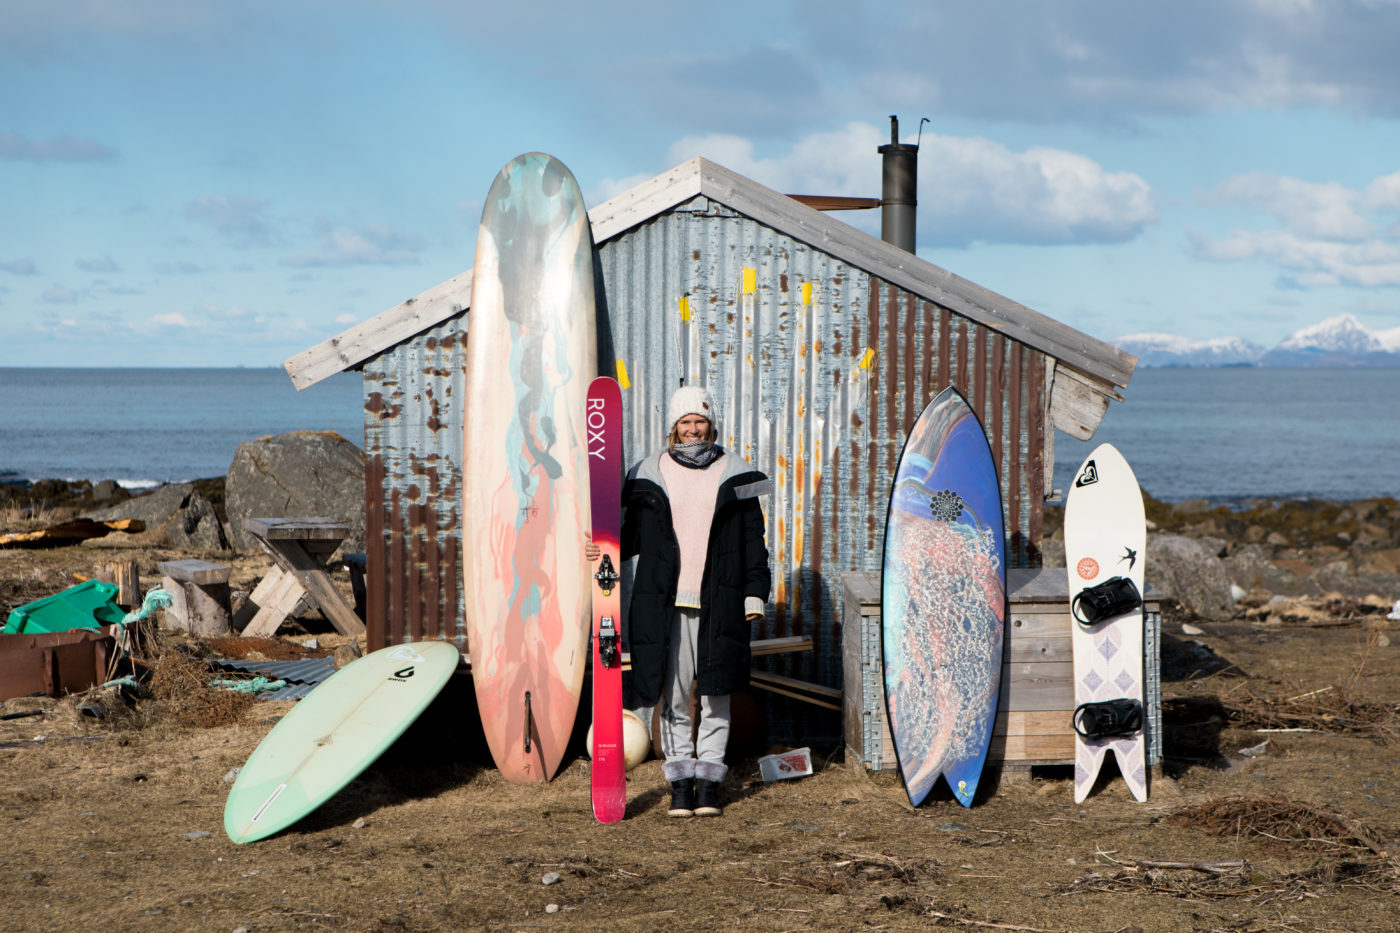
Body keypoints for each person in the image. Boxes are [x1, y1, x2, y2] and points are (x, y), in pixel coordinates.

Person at [587, 385, 771, 817]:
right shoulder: (648, 473)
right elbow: (631, 537)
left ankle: (708, 782)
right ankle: (679, 783)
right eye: (685, 422)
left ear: (712, 424)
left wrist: (754, 592)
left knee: (716, 694)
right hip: (663, 603)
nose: (692, 430)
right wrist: (602, 549)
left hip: (720, 602)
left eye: (700, 421)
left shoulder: (737, 474)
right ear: (674, 427)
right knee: (670, 696)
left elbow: (753, 543)